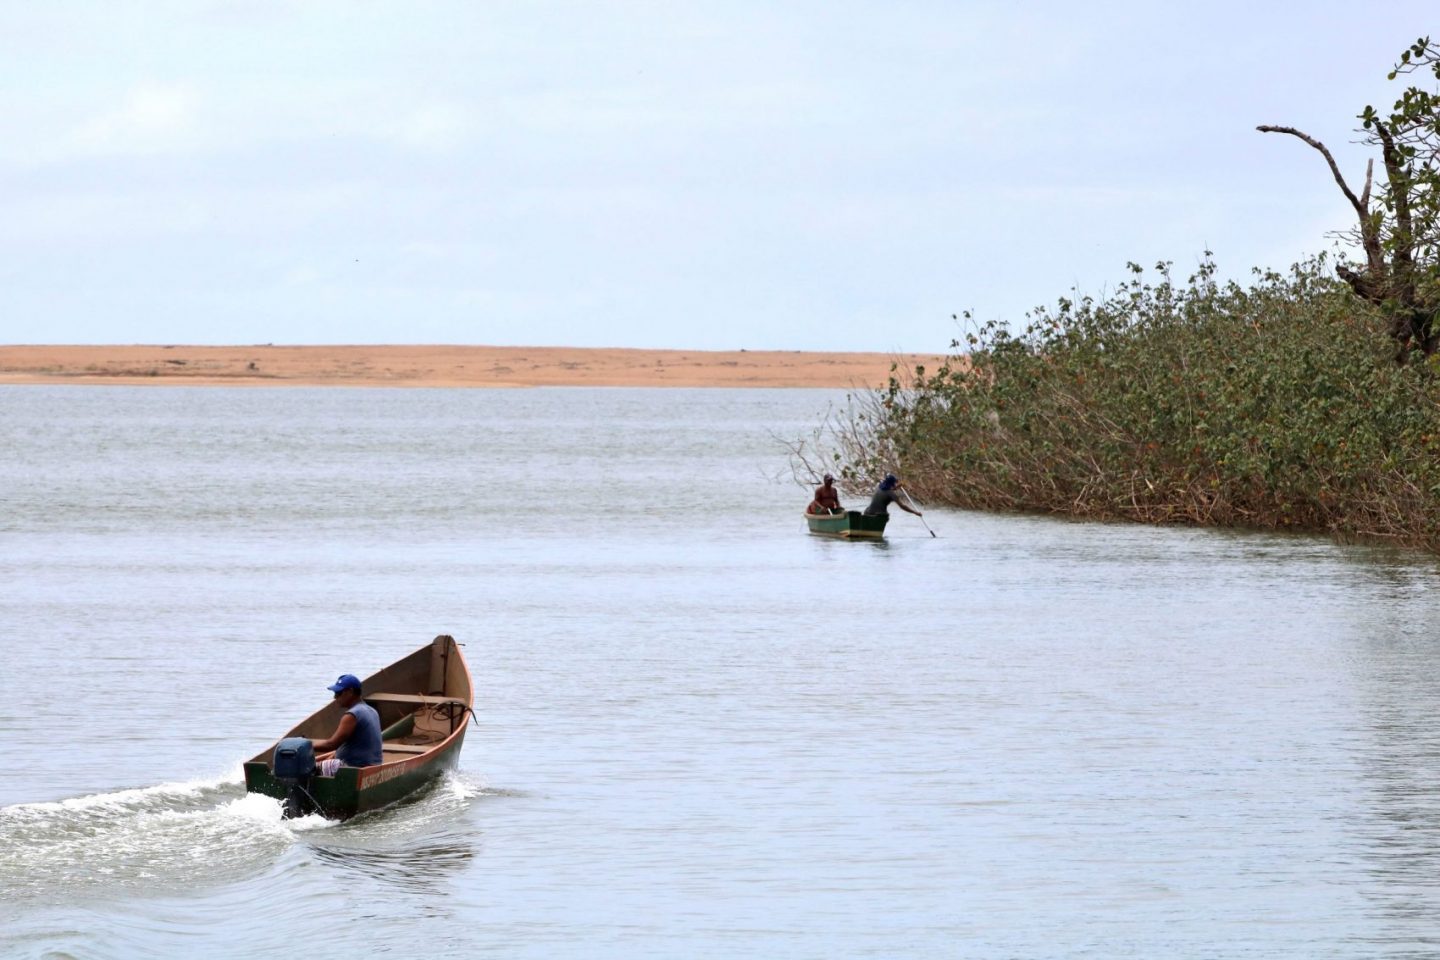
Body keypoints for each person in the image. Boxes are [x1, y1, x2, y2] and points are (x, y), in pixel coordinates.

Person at [310, 674, 383, 776]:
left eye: (338, 693)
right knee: (327, 759)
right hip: (373, 765)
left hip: (353, 768)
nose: (335, 697)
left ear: (350, 692)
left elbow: (331, 744)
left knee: (304, 770)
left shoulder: (352, 715)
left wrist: (307, 746)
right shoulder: (372, 711)